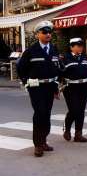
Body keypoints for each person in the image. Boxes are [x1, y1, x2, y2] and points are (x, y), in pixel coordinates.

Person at [16, 21, 60, 157]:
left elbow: (56, 68)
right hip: (36, 88)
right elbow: (20, 68)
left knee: (46, 115)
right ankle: (38, 145)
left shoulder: (53, 49)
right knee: (39, 113)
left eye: (49, 32)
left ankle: (44, 140)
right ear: (37, 35)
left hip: (50, 87)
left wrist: (57, 86)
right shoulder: (31, 51)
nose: (48, 34)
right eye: (44, 32)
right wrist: (25, 82)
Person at [61, 38, 87, 143]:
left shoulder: (84, 58)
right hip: (70, 88)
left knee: (81, 110)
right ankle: (67, 128)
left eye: (81, 45)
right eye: (78, 46)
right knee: (74, 109)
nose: (80, 47)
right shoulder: (65, 58)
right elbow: (60, 74)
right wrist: (57, 88)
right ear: (71, 47)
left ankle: (78, 134)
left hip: (83, 87)